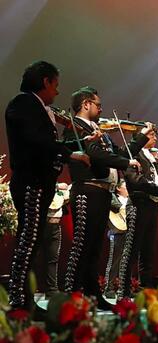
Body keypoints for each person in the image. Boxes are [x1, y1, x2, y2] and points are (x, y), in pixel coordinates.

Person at [4, 61, 90, 307]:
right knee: (28, 241)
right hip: (32, 182)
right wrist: (70, 154)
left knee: (31, 241)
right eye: (55, 85)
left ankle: (24, 299)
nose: (57, 92)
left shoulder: (36, 107)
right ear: (45, 81)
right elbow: (36, 139)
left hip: (40, 182)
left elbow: (45, 141)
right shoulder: (24, 103)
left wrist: (73, 147)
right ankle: (19, 300)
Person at [62, 86, 150, 309]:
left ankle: (93, 296)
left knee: (94, 248)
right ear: (86, 104)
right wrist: (126, 163)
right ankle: (70, 298)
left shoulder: (98, 130)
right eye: (98, 105)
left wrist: (140, 138)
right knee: (81, 245)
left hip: (102, 192)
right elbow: (95, 154)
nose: (101, 109)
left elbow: (117, 155)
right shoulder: (75, 127)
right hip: (86, 190)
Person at [119, 130, 158, 298]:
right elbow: (136, 181)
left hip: (151, 207)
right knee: (131, 250)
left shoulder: (150, 158)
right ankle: (124, 291)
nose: (156, 138)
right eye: (152, 135)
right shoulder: (133, 154)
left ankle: (146, 291)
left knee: (148, 252)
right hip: (138, 205)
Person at [41, 182, 70, 298]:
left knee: (53, 259)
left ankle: (52, 289)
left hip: (56, 226)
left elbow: (68, 197)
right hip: (41, 225)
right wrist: (57, 185)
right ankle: (27, 290)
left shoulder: (61, 192)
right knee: (34, 258)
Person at [103, 180, 130, 298]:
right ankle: (109, 287)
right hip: (117, 231)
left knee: (126, 261)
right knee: (114, 260)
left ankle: (123, 287)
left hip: (128, 232)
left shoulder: (130, 200)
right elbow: (115, 208)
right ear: (118, 188)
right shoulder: (113, 198)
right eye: (125, 187)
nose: (128, 189)